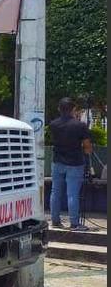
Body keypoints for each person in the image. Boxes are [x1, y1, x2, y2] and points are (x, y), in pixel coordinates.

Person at [49, 97, 94, 231]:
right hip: (74, 163)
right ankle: (74, 224)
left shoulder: (53, 124)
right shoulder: (80, 125)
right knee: (72, 194)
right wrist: (88, 148)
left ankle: (55, 221)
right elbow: (87, 147)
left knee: (55, 192)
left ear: (59, 109)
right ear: (73, 109)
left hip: (57, 162)